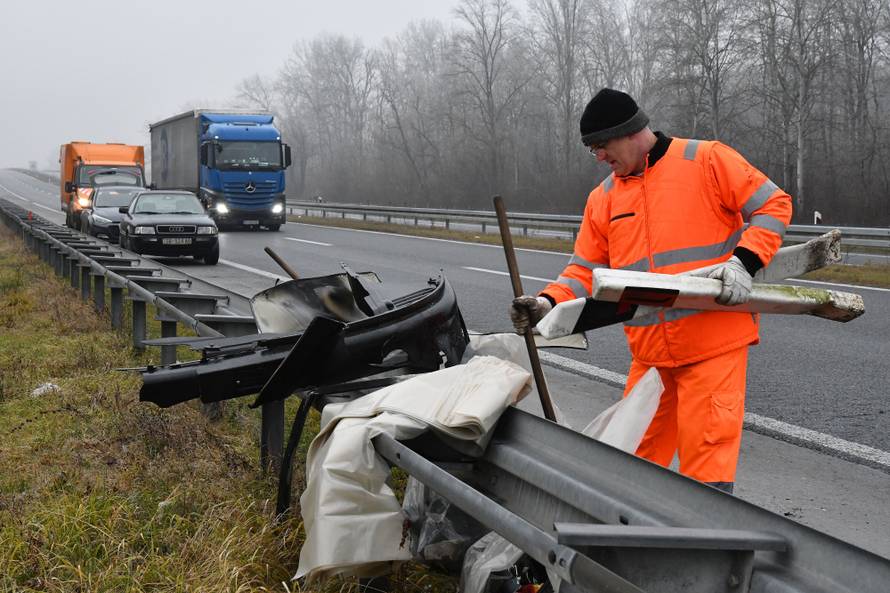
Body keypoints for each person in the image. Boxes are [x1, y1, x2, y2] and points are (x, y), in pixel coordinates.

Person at [510, 88, 792, 493]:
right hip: (651, 356)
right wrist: (546, 302)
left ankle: (705, 551)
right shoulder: (603, 198)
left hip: (712, 345)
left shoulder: (707, 159)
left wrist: (743, 262)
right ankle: (634, 549)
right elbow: (584, 270)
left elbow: (773, 205)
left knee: (706, 471)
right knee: (632, 469)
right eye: (593, 150)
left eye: (601, 146)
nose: (599, 158)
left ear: (628, 132)